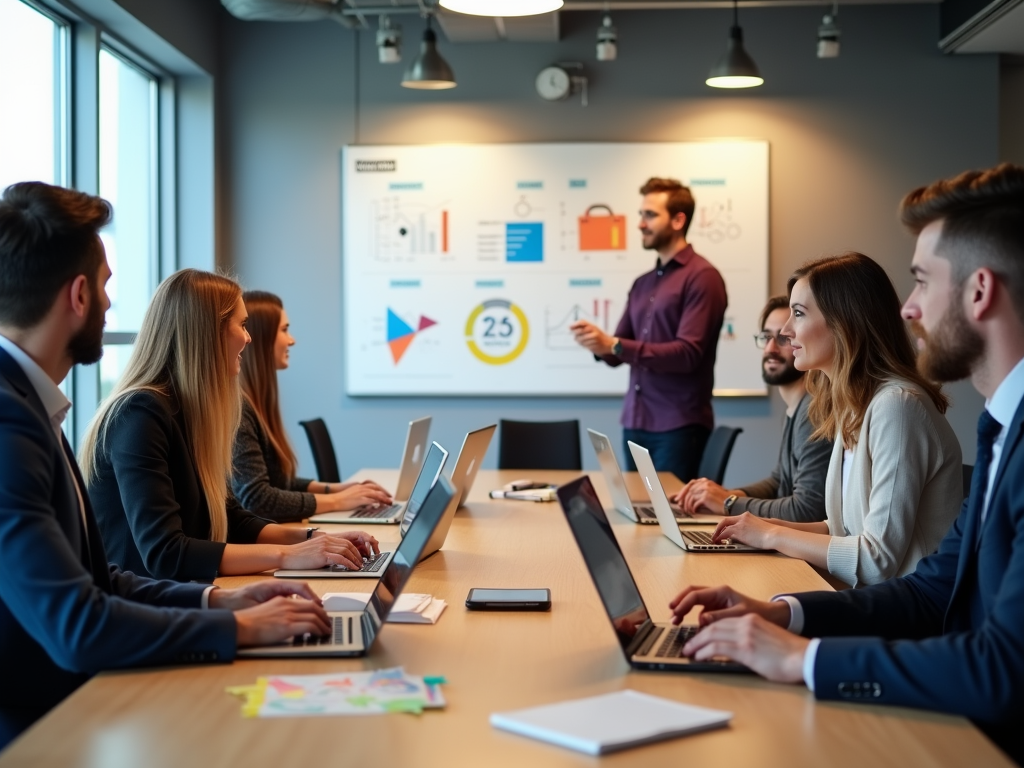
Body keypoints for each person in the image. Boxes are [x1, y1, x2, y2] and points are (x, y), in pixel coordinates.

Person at [670, 164, 1024, 763]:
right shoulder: (998, 425)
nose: (909, 308)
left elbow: (998, 664)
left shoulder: (905, 408)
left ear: (979, 290)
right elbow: (931, 590)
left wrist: (800, 656)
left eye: (920, 282)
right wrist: (782, 612)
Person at [0, 182, 332, 749]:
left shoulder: (30, 407)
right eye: (105, 288)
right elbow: (79, 626)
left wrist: (219, 600)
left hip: (87, 696)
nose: (110, 305)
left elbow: (102, 582)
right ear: (78, 295)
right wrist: (236, 627)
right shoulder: (11, 424)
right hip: (49, 727)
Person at [81, 269, 379, 583]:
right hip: (147, 610)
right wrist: (290, 556)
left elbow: (232, 519)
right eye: (242, 324)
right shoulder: (140, 413)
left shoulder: (189, 411)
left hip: (182, 595)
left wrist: (313, 538)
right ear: (209, 332)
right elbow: (165, 553)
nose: (249, 338)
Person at [703, 253, 963, 587]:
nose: (785, 330)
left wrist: (771, 535)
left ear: (845, 322)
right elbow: (840, 530)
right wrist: (754, 528)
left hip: (906, 615)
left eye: (798, 314)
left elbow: (875, 561)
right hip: (870, 599)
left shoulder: (897, 407)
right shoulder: (855, 405)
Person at [570, 178, 727, 482]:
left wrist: (614, 345)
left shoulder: (703, 277)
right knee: (641, 516)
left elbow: (687, 354)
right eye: (641, 215)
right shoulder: (643, 283)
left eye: (650, 215)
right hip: (635, 421)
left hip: (678, 426)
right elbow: (617, 352)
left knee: (670, 520)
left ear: (679, 220)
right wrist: (597, 343)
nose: (640, 224)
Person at [233, 290, 391, 522]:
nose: (292, 340)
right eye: (284, 330)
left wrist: (339, 489)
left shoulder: (255, 403)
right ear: (262, 337)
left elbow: (277, 482)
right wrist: (338, 501)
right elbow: (258, 499)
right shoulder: (239, 409)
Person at [673, 295, 831, 522]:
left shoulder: (813, 412)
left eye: (783, 339)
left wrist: (729, 503)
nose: (770, 348)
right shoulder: (795, 408)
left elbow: (806, 510)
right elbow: (779, 480)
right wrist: (726, 496)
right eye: (766, 337)